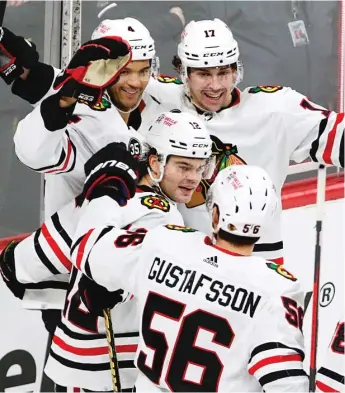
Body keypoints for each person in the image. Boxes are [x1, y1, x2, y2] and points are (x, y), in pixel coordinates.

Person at [0, 111, 213, 391]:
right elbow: (124, 277)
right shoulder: (163, 218)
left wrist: (68, 300)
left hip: (69, 368)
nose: (193, 178)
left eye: (200, 168)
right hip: (121, 374)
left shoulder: (99, 199)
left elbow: (15, 265)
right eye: (184, 167)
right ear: (154, 162)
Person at [69, 163, 308, 392]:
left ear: (215, 215)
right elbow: (285, 384)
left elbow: (86, 247)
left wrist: (107, 194)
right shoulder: (276, 288)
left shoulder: (164, 243)